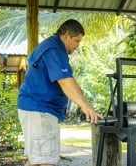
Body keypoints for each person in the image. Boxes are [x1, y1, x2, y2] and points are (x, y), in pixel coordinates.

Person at [17, 19, 102, 166]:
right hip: (40, 111)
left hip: (35, 109)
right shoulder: (54, 49)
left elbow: (68, 79)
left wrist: (79, 93)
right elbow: (64, 81)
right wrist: (85, 106)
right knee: (46, 161)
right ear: (66, 35)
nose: (77, 46)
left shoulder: (53, 47)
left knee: (37, 161)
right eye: (76, 41)